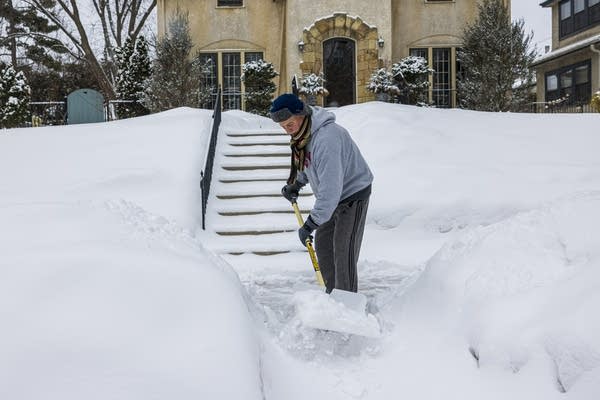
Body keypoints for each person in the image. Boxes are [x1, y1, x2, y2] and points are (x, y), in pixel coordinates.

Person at [269, 93, 373, 294]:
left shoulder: (327, 139)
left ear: (302, 115)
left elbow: (330, 188)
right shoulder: (304, 135)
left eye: (289, 125)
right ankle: (333, 296)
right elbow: (309, 163)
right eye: (282, 127)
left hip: (353, 195)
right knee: (324, 247)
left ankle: (348, 305)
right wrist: (297, 184)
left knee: (343, 253)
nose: (286, 131)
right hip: (332, 198)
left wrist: (310, 224)